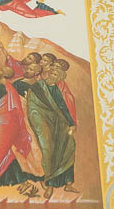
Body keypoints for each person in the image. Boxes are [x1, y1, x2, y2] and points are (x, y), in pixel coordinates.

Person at [0, 66, 42, 199]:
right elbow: (17, 112)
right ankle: (23, 183)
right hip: (7, 128)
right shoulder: (9, 89)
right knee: (9, 155)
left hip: (1, 129)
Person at [21, 61, 77, 199]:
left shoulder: (56, 90)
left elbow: (62, 107)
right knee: (48, 151)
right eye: (52, 73)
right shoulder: (38, 86)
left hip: (57, 123)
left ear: (59, 78)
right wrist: (40, 121)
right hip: (41, 123)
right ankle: (49, 185)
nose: (53, 76)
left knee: (68, 145)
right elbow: (32, 106)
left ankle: (68, 183)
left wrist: (71, 123)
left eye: (56, 75)